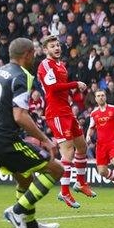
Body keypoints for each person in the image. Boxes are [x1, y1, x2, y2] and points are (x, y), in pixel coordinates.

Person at [0, 37, 63, 228]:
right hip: (7, 140)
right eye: (34, 53)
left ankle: (31, 225)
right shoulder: (22, 76)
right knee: (56, 169)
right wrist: (44, 139)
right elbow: (20, 115)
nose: (34, 56)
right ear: (27, 54)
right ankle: (17, 211)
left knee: (24, 178)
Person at [37, 35, 95, 208]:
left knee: (82, 146)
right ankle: (64, 192)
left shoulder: (60, 65)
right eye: (52, 46)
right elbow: (53, 88)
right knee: (67, 151)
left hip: (66, 111)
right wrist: (75, 83)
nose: (56, 48)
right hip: (56, 113)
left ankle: (80, 183)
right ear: (45, 50)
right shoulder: (45, 65)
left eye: (57, 45)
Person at [86, 90, 114, 197]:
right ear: (95, 99)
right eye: (98, 96)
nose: (101, 97)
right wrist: (88, 136)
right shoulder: (94, 113)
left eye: (102, 95)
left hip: (113, 142)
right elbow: (91, 127)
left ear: (105, 97)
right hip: (100, 145)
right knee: (102, 172)